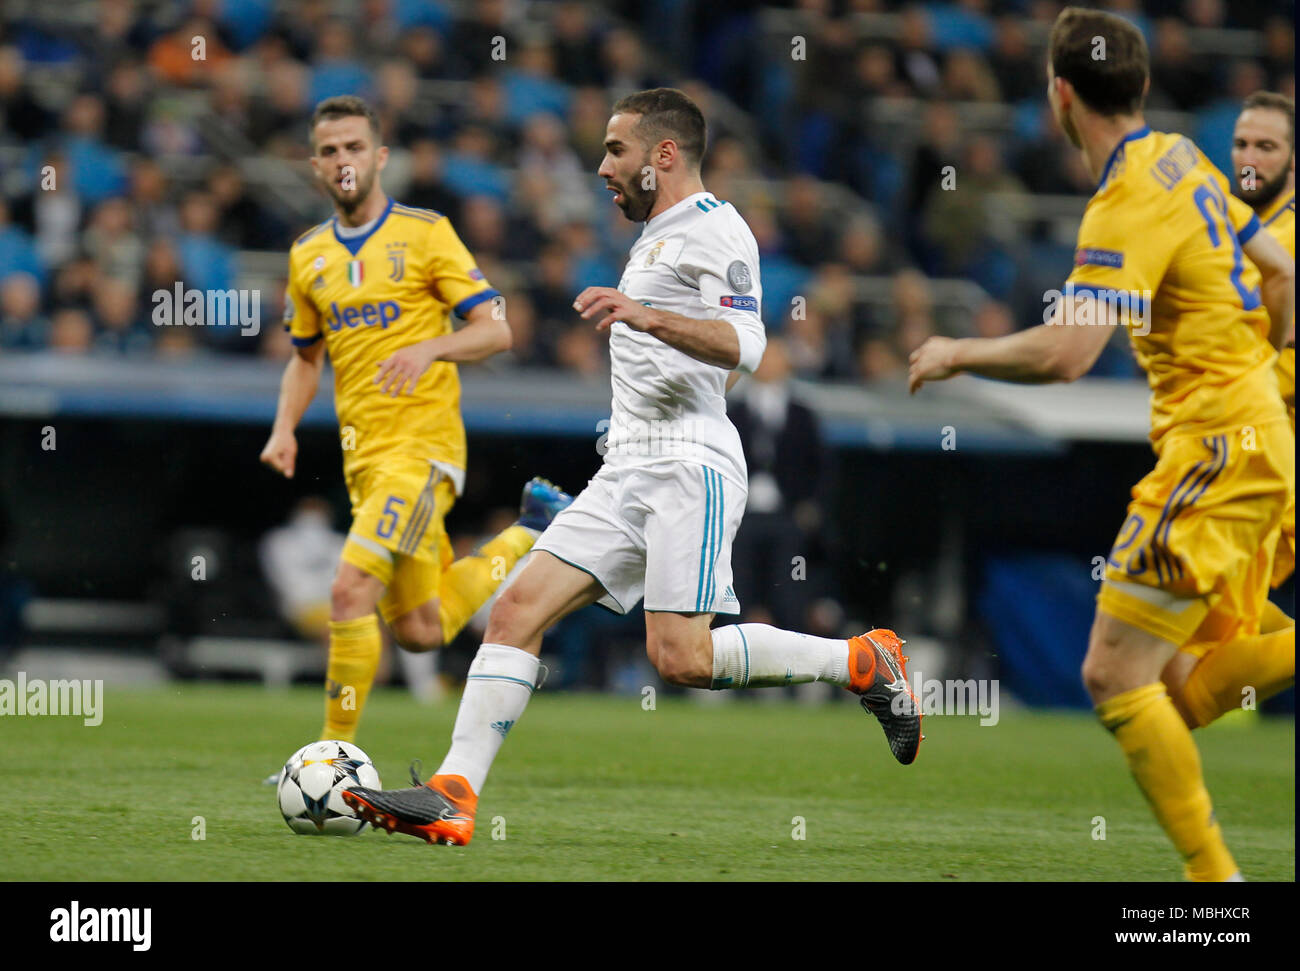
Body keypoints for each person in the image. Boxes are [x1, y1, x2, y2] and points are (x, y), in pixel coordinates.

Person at [343, 88, 922, 846]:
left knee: (681, 657)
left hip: (690, 465)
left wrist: (649, 319)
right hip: (628, 468)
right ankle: (454, 792)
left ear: (665, 155)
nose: (602, 166)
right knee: (517, 610)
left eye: (616, 151)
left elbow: (747, 346)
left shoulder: (718, 229)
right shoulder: (654, 236)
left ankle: (861, 658)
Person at [909, 8, 1295, 881]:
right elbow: (1281, 272)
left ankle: (1217, 891)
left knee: (1113, 675)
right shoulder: (1187, 158)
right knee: (1174, 690)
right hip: (1259, 439)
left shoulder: (1125, 201)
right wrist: (1264, 375)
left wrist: (958, 350)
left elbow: (1068, 353)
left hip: (1215, 448)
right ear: (1144, 86)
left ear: (1059, 96)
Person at [259, 96, 572, 765]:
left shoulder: (427, 234)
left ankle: (331, 759)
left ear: (380, 158)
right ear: (315, 165)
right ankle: (533, 529)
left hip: (424, 452)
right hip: (364, 461)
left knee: (348, 591)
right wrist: (285, 425)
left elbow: (497, 327)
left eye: (353, 147)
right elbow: (305, 358)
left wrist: (429, 349)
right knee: (422, 630)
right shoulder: (307, 254)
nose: (342, 160)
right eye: (329, 150)